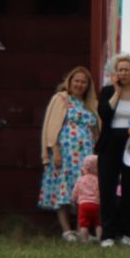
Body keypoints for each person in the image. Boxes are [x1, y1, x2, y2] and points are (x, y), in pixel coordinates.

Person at [95, 54, 130, 246]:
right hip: (109, 145)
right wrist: (117, 92)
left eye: (127, 69)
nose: (123, 73)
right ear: (115, 72)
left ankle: (128, 232)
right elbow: (104, 113)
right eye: (120, 69)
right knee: (107, 189)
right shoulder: (107, 91)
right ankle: (108, 234)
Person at [39, 65, 100, 241]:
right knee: (63, 189)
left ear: (88, 85)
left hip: (85, 155)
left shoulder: (91, 104)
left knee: (84, 190)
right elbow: (50, 125)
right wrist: (54, 150)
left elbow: (97, 128)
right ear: (69, 81)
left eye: (84, 82)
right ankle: (66, 231)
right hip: (65, 153)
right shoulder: (61, 99)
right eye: (76, 81)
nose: (80, 85)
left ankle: (82, 230)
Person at [73, 154, 103, 243]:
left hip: (83, 205)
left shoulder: (81, 179)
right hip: (96, 204)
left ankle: (84, 240)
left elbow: (75, 192)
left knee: (83, 224)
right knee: (98, 223)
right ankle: (99, 238)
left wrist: (75, 199)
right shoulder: (98, 180)